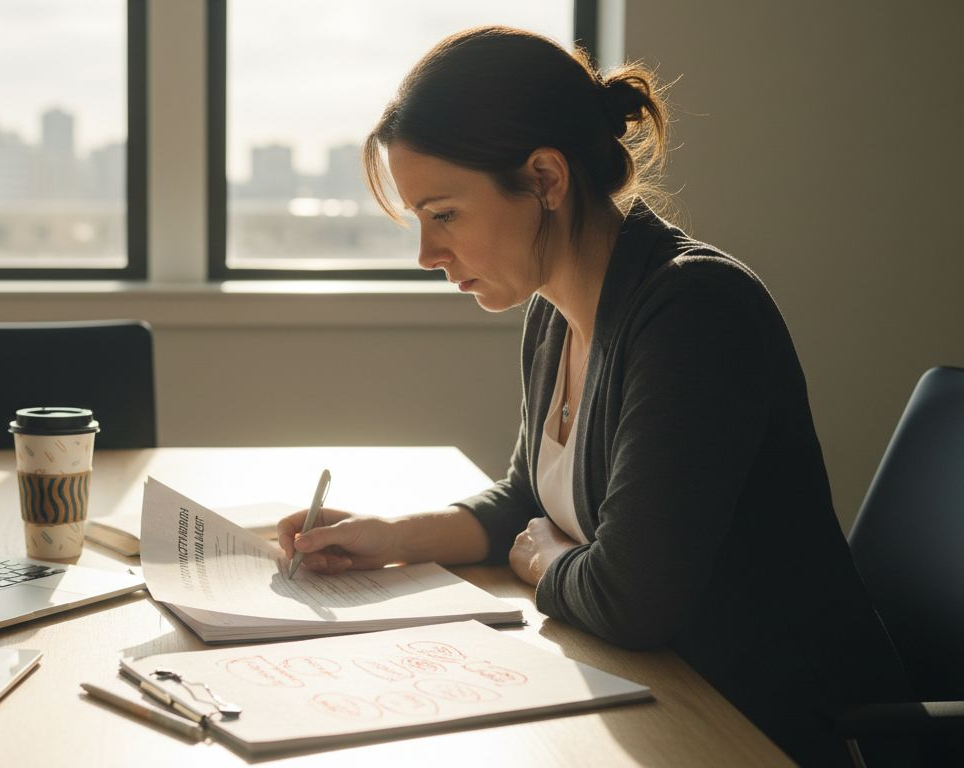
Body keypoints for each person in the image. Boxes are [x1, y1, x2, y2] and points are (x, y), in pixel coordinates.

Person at [277, 26, 910, 766]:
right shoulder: (554, 308)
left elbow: (629, 600)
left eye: (444, 213)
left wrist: (544, 561)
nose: (427, 254)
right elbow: (527, 504)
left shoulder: (694, 314)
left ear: (546, 178)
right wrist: (392, 537)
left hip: (767, 729)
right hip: (662, 695)